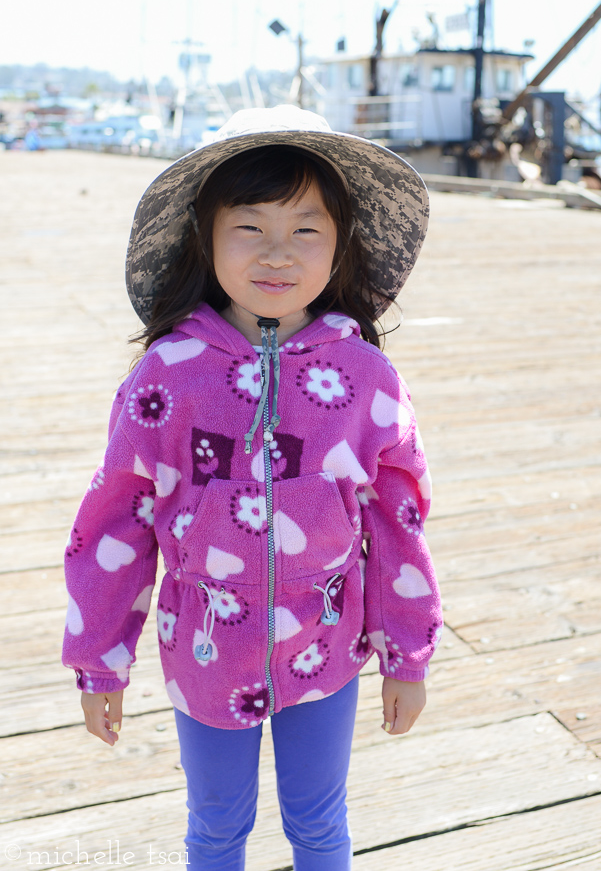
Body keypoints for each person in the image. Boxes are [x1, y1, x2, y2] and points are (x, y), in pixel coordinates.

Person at [63, 104, 442, 871]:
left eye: (306, 229)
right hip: (204, 652)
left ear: (341, 249)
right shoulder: (166, 378)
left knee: (319, 826)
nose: (278, 253)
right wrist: (102, 658)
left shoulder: (367, 381)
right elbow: (115, 521)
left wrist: (405, 653)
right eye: (250, 226)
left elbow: (398, 521)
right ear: (205, 239)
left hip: (326, 651)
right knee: (214, 830)